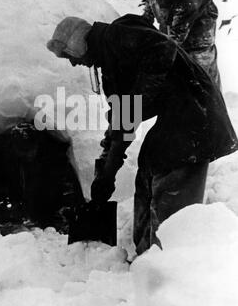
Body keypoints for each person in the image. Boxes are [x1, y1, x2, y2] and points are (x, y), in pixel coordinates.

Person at [47, 14, 238, 255]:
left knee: (172, 166)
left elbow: (163, 47)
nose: (73, 63)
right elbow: (121, 114)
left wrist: (137, 99)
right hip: (179, 113)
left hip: (196, 114)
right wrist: (108, 166)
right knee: (149, 164)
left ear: (78, 43)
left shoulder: (115, 38)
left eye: (69, 55)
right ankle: (145, 255)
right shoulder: (109, 57)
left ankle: (169, 256)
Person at [143, 0, 221, 87]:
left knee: (202, 77)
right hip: (172, 24)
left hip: (200, 35)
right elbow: (151, 7)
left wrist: (155, 56)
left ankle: (213, 105)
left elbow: (176, 39)